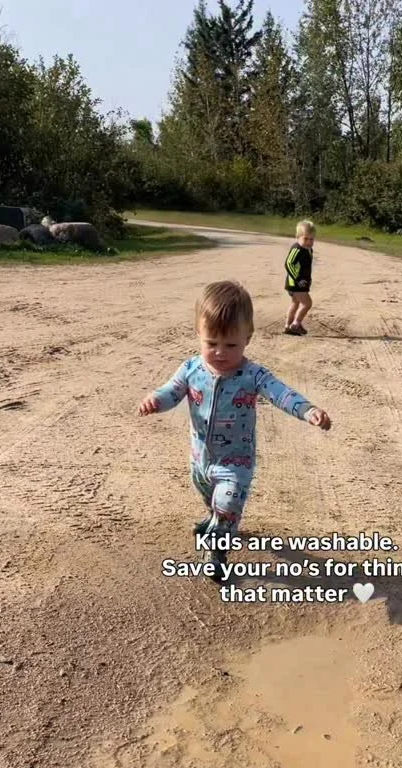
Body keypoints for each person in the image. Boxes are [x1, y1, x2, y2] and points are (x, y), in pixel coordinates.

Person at [138, 280, 331, 583]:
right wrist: (154, 401)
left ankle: (216, 550)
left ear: (247, 338)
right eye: (211, 343)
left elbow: (281, 393)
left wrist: (307, 410)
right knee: (211, 499)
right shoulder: (191, 369)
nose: (220, 352)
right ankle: (216, 520)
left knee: (227, 502)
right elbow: (171, 391)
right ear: (198, 334)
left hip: (235, 463)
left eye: (231, 345)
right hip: (200, 460)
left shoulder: (253, 375)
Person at [284, 219, 315, 336]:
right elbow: (288, 263)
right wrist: (298, 279)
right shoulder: (297, 249)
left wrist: (308, 279)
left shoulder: (308, 250)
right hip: (295, 283)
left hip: (300, 283)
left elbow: (306, 267)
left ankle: (288, 326)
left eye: (311, 239)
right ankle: (296, 324)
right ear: (298, 237)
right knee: (307, 304)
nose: (308, 242)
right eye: (305, 238)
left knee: (295, 303)